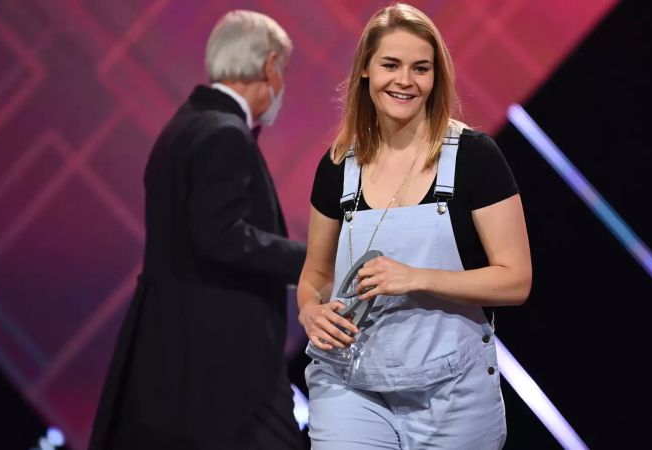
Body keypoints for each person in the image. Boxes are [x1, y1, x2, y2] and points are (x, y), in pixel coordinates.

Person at [297, 3, 532, 449]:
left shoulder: (476, 158)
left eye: (420, 68)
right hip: (351, 384)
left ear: (435, 77)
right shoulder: (336, 167)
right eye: (391, 65)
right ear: (366, 69)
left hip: (452, 393)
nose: (405, 80)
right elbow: (315, 275)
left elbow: (516, 281)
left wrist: (414, 278)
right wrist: (310, 310)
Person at [88, 10, 306, 450]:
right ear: (268, 67)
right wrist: (313, 259)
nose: (282, 85)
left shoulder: (186, 125)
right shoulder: (223, 134)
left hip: (182, 362)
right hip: (226, 364)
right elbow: (221, 236)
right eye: (281, 70)